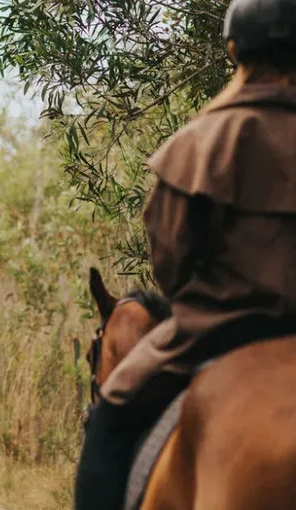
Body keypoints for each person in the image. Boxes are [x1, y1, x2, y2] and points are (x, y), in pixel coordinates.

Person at [75, 1, 296, 508]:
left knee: (109, 421)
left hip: (216, 330)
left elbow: (171, 263)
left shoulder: (201, 141)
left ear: (234, 50)